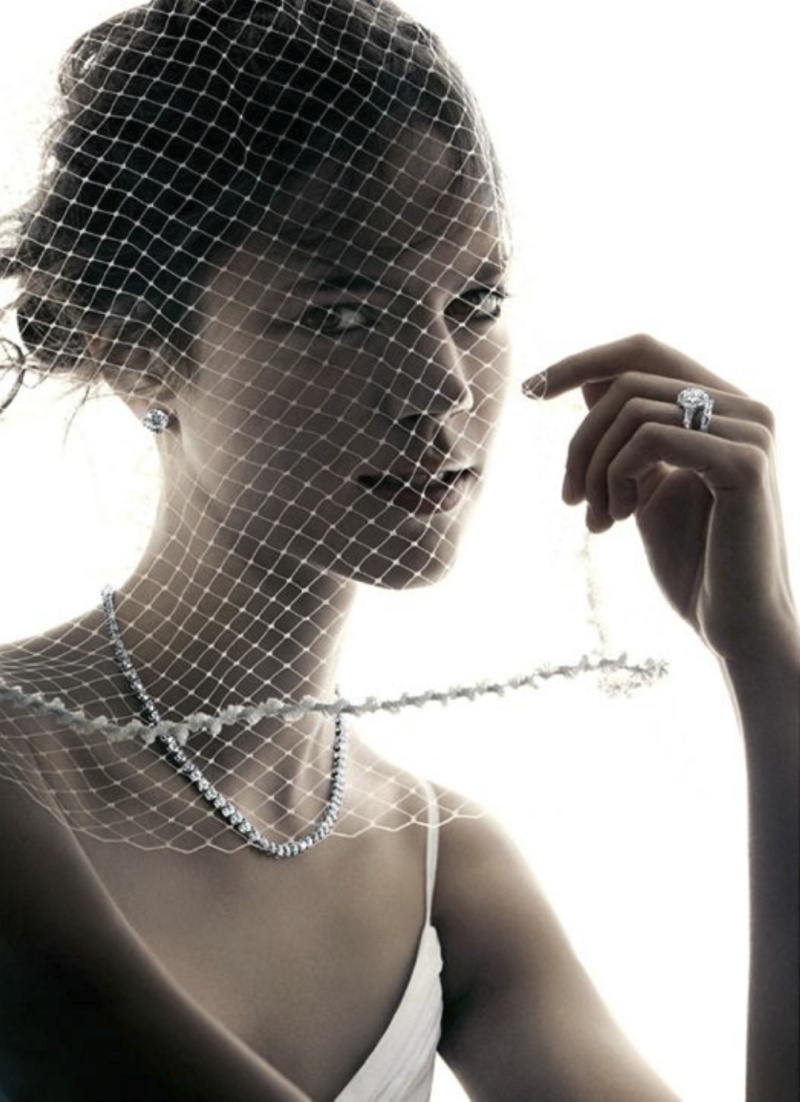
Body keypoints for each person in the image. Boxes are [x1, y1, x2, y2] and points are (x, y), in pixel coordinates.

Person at [0, 1, 796, 1099]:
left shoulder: (442, 868)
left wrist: (765, 656)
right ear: (132, 349)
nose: (442, 387)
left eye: (473, 301)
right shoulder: (15, 782)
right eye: (340, 315)